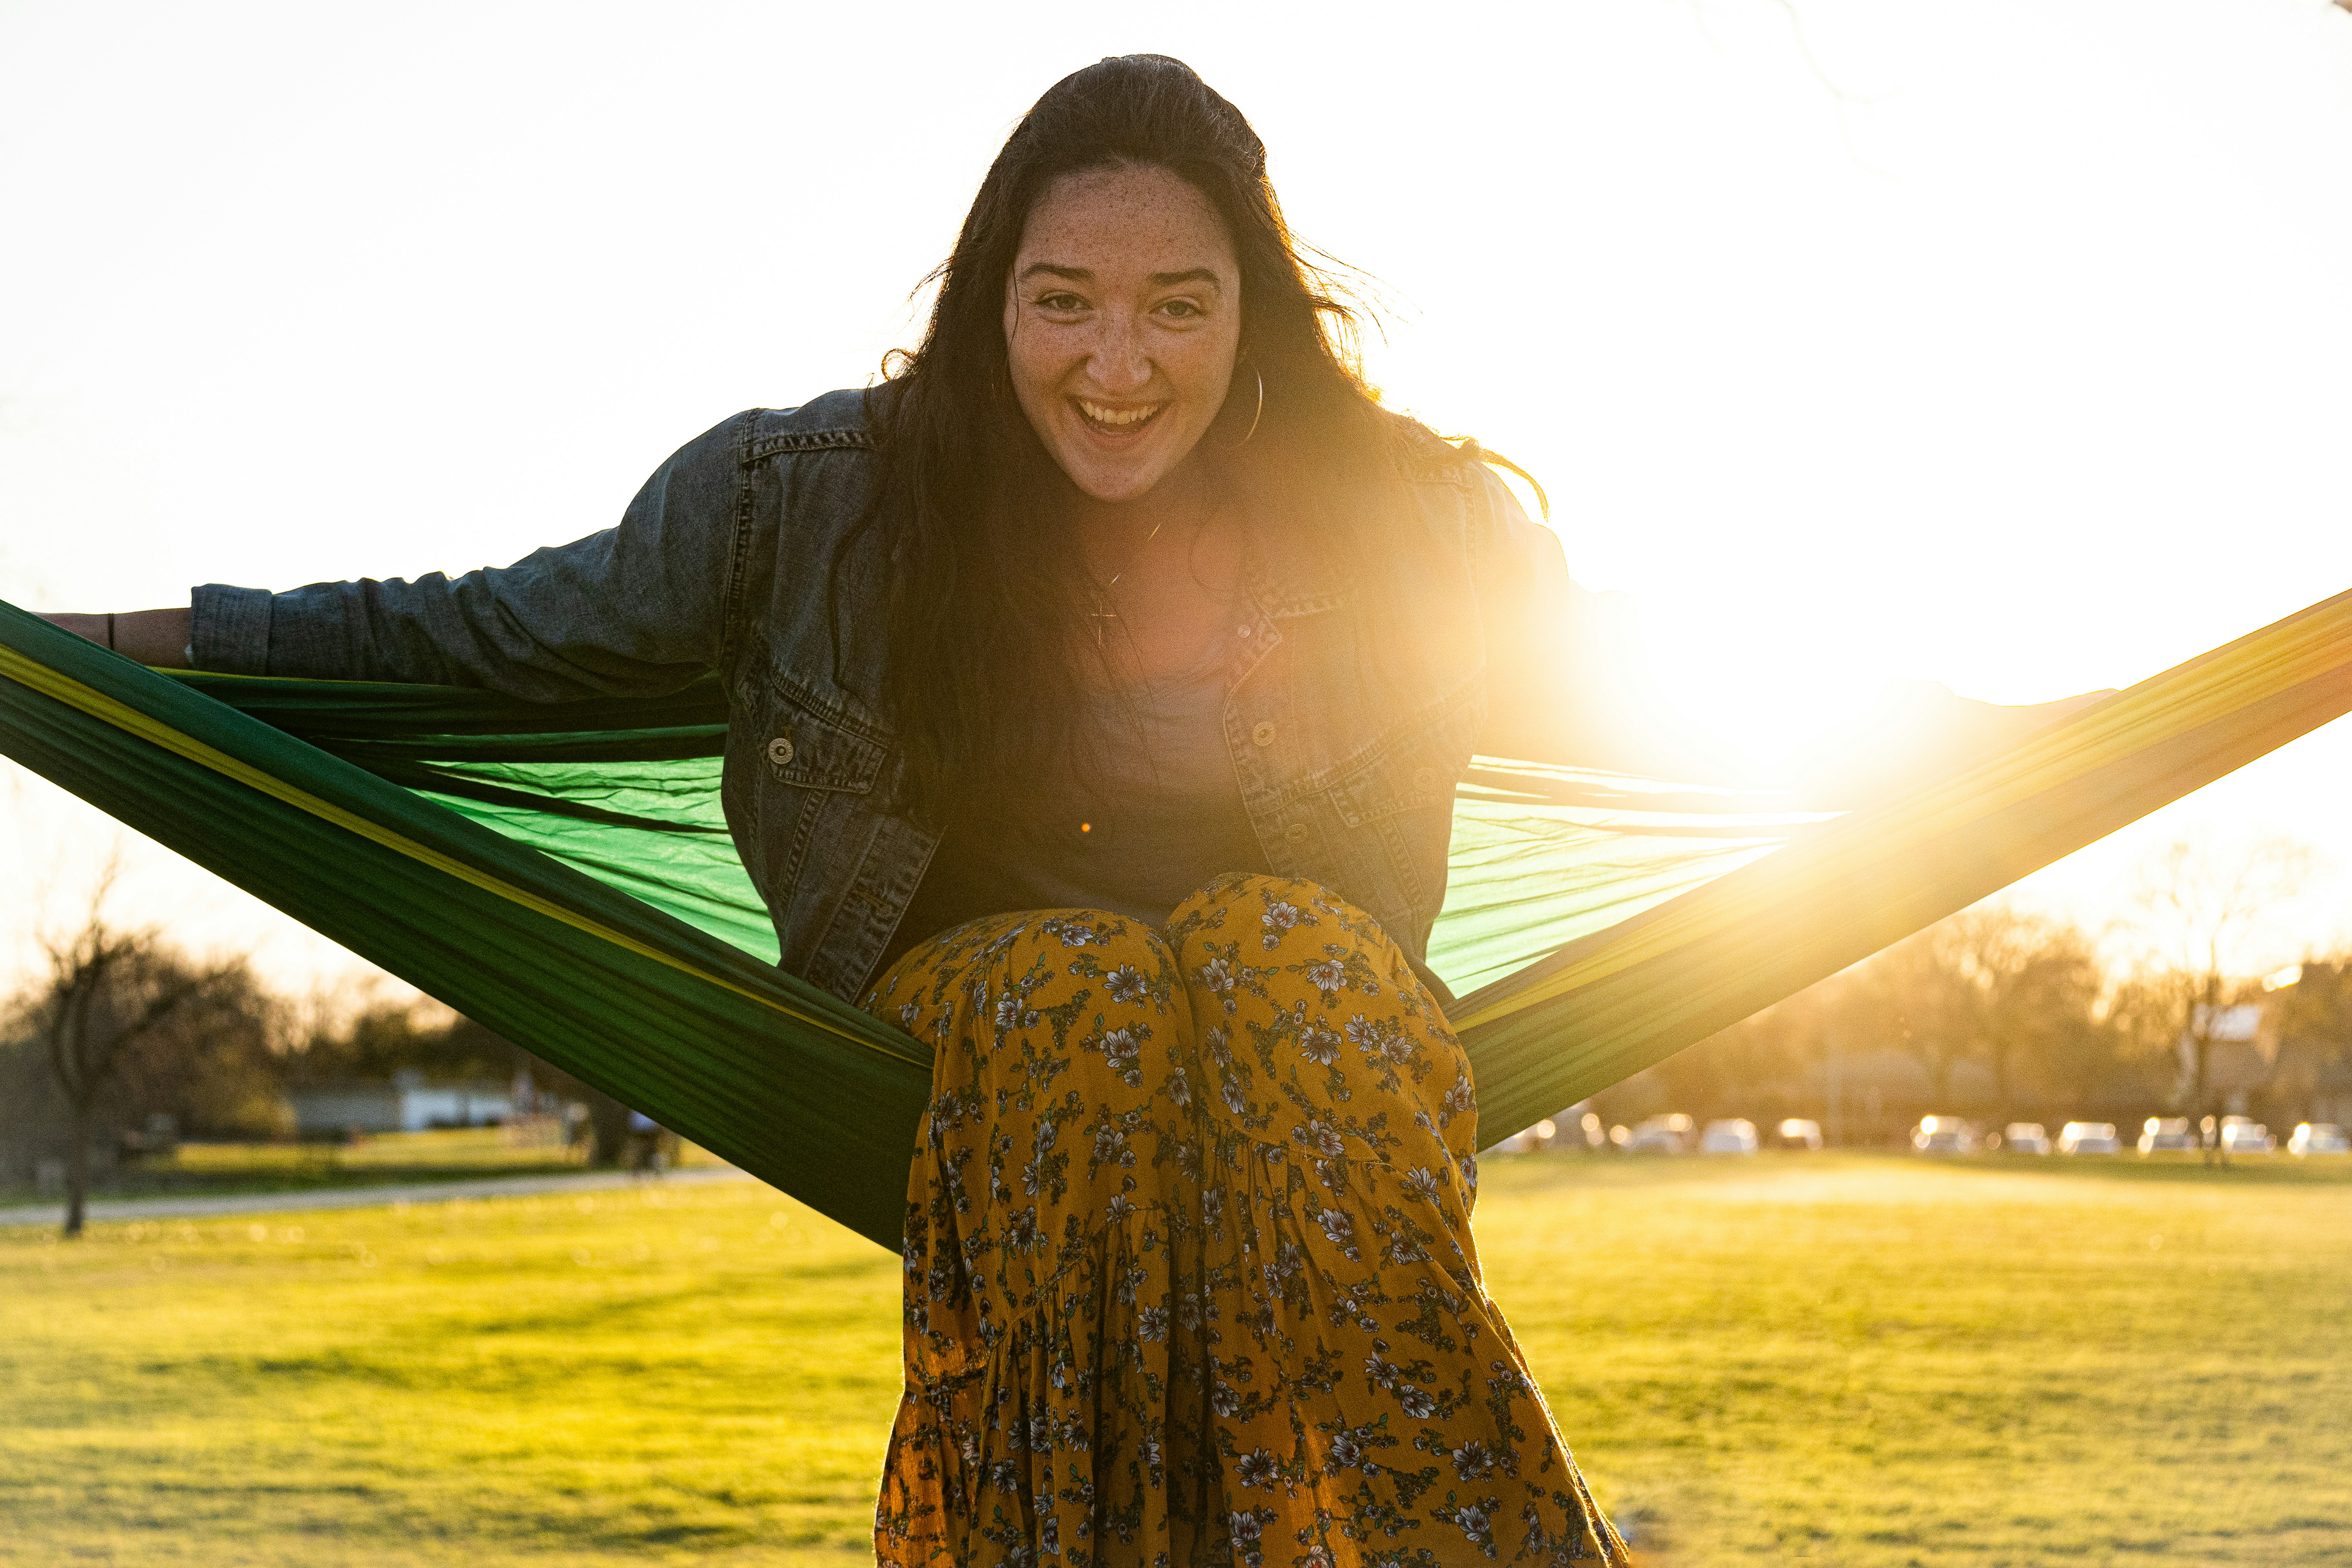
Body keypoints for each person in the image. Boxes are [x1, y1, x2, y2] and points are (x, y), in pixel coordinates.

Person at [47, 53, 2062, 1567]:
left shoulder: (1403, 527)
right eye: (1065, 300)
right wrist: (86, 645)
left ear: (1252, 314)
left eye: (1179, 303)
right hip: (977, 1006)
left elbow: (1645, 691)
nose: (1118, 363)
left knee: (1278, 959)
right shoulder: (807, 500)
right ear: (990, 299)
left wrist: (1987, 744)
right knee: (1086, 984)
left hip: (1305, 1013)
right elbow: (471, 636)